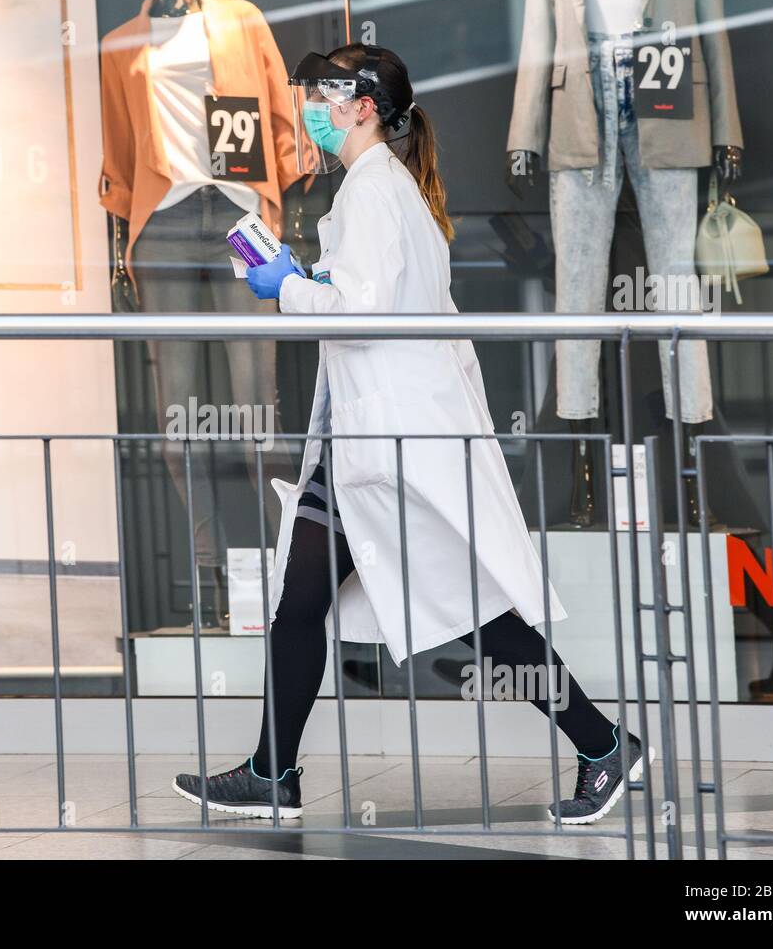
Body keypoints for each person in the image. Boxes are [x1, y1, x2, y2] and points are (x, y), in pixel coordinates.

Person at [173, 44, 648, 825]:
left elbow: (364, 317)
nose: (312, 108)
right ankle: (271, 773)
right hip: (368, 442)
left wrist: (288, 287)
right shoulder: (382, 188)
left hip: (391, 447)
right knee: (302, 601)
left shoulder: (374, 190)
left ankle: (603, 744)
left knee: (479, 614)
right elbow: (377, 301)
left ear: (364, 107)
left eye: (325, 95)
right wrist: (310, 281)